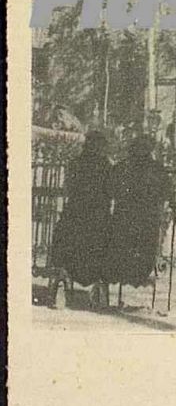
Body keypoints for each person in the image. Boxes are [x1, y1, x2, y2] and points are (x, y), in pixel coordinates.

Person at [48, 129, 112, 308]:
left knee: (67, 246)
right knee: (97, 247)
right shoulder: (105, 165)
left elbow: (69, 187)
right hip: (97, 216)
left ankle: (62, 284)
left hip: (75, 214)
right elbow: (110, 191)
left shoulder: (75, 163)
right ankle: (97, 290)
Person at [104, 134, 174, 290]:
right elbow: (168, 191)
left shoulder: (128, 167)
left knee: (139, 243)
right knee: (134, 243)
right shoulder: (153, 168)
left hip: (135, 217)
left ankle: (132, 274)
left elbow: (110, 189)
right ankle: (133, 274)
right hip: (139, 217)